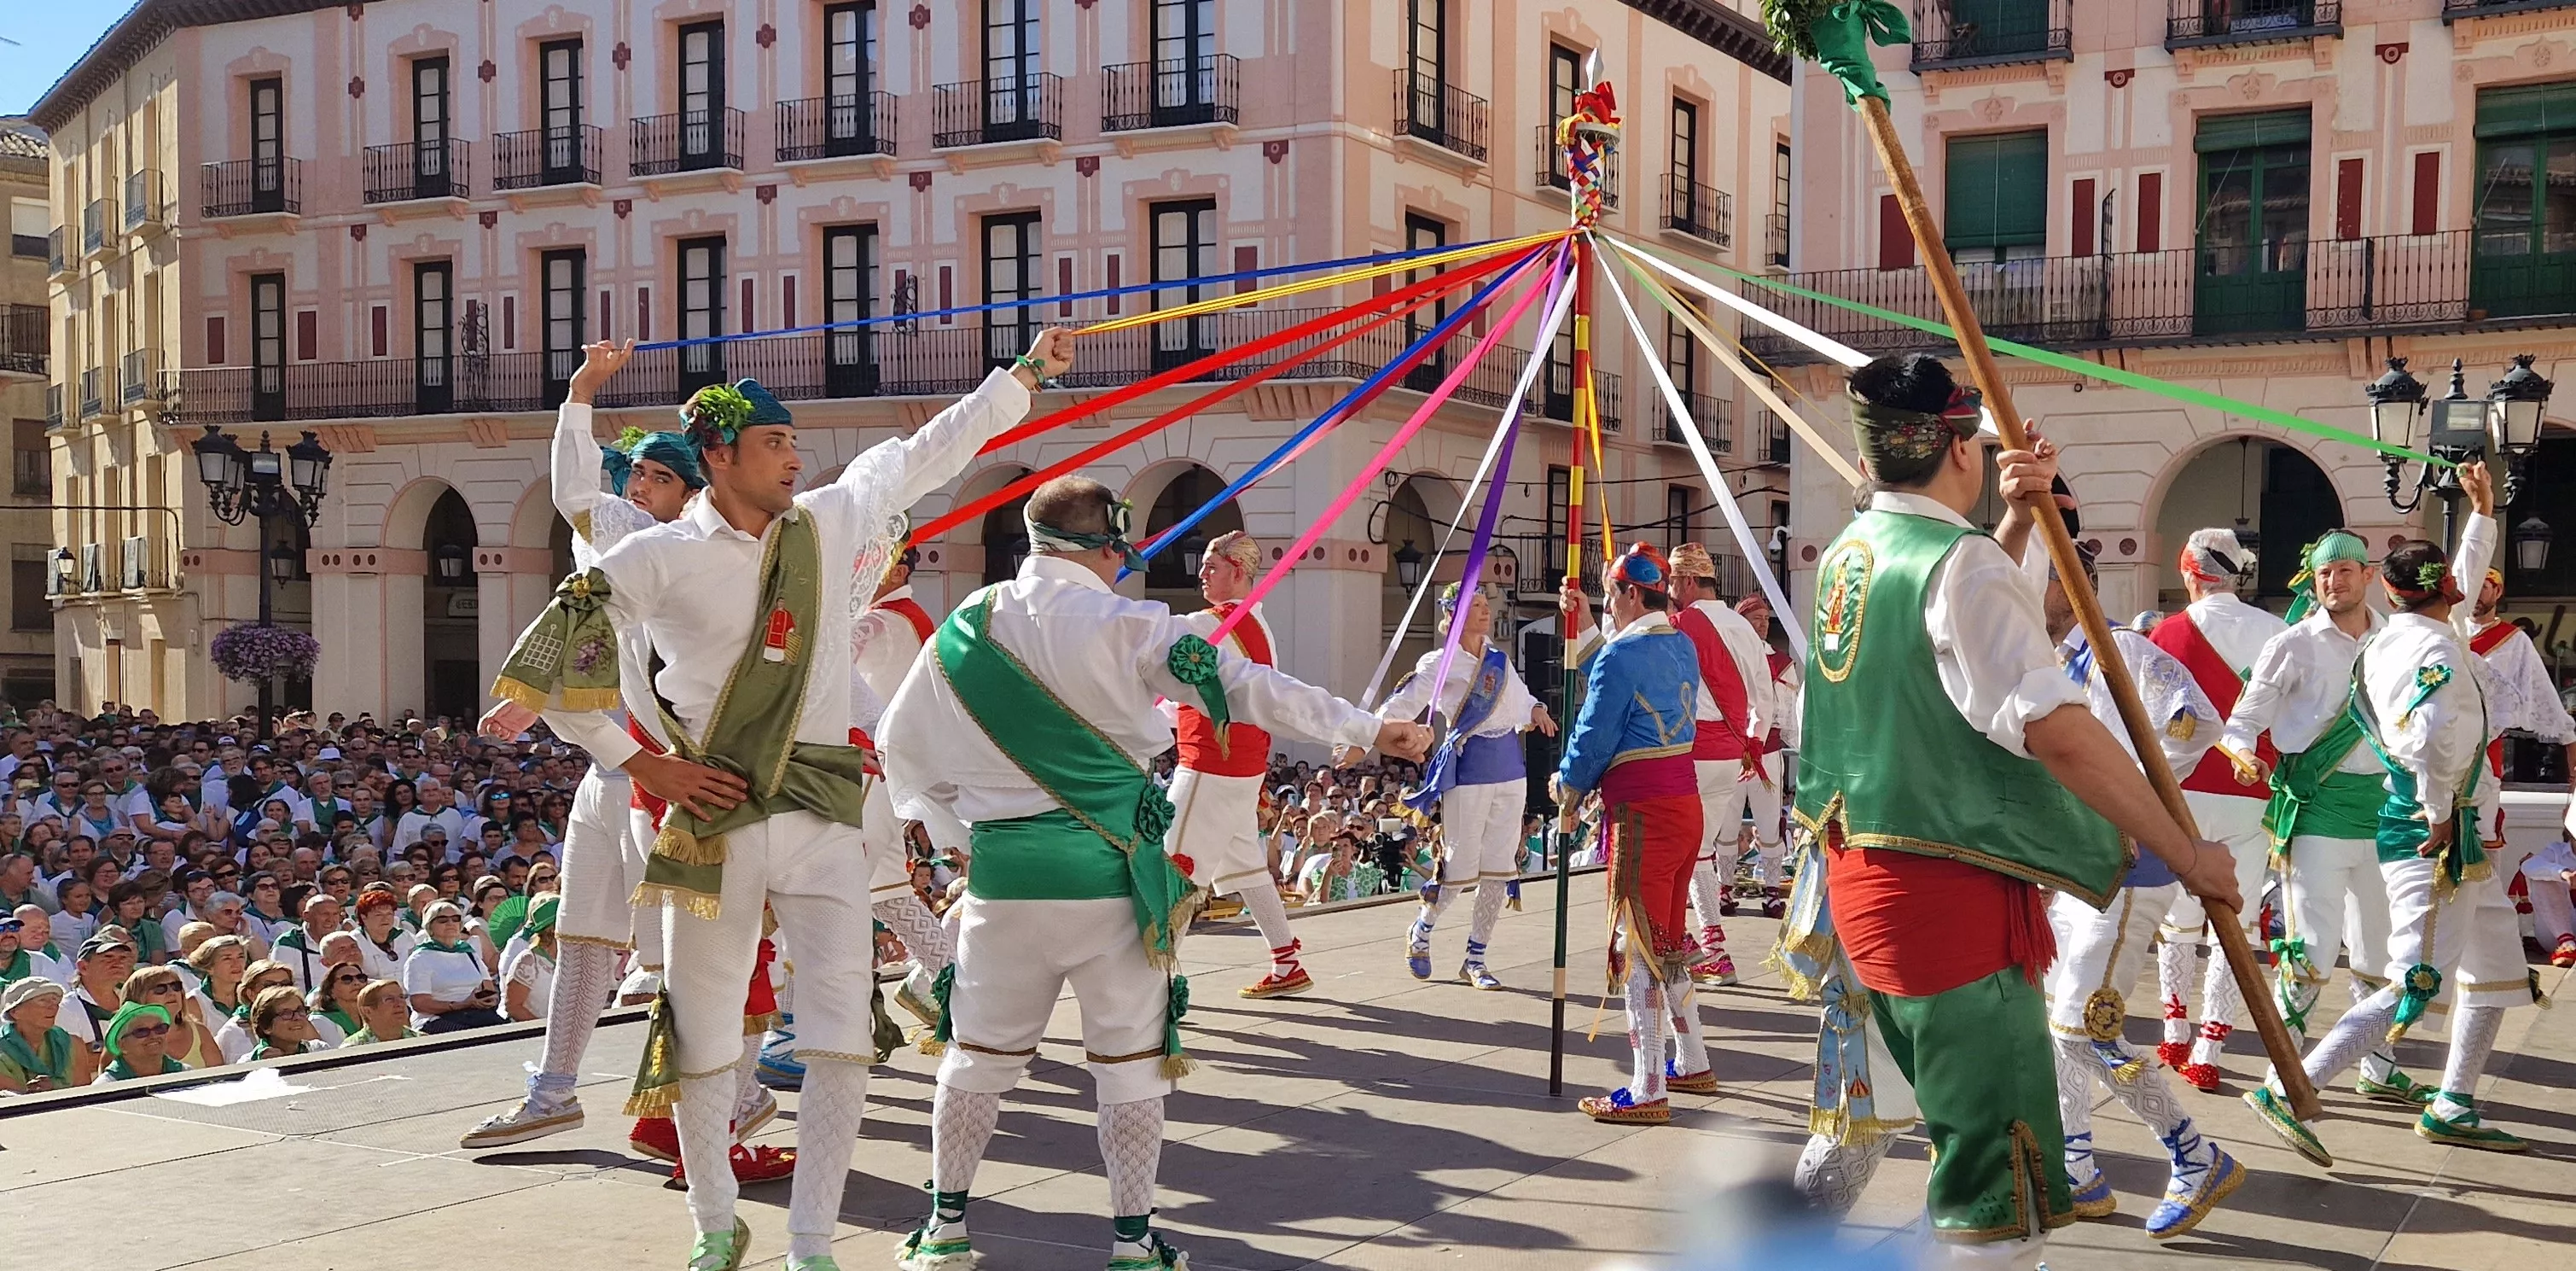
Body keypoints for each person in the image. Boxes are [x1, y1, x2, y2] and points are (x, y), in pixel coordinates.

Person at [499, 329, 1078, 1271]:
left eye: (795, 444)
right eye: (775, 444)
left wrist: (1020, 377)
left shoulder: (829, 520)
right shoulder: (658, 554)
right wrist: (640, 762)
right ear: (718, 455)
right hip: (713, 817)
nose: (795, 458)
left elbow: (930, 448)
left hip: (818, 811)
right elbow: (557, 645)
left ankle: (813, 1239)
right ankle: (714, 1225)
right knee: (703, 1026)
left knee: (842, 1031)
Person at [880, 474, 1431, 1271]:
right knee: (1130, 1067)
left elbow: (902, 744)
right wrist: (1370, 727)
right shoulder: (1129, 623)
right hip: (1114, 878)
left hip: (1003, 878)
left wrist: (961, 828)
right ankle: (1132, 1242)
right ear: (1107, 546)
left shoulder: (965, 625)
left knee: (976, 1057)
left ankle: (946, 1229)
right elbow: (1245, 687)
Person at [1798, 354, 2237, 1267]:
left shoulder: (1852, 552)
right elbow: (2056, 730)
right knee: (2000, 1186)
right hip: (1951, 904)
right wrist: (2185, 851)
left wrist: (2014, 515)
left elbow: (1953, 625)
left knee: (1878, 1123)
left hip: (1864, 890)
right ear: (1958, 447)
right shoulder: (1954, 563)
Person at [2247, 463, 2535, 1159]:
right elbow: (2431, 735)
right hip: (2429, 831)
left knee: (2494, 965)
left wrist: (2482, 514)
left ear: (2383, 586)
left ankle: (2452, 1100)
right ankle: (2288, 1086)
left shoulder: (2397, 635)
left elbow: (2455, 579)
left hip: (2436, 825)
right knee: (2414, 980)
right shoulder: (2432, 643)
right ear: (2450, 593)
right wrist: (2439, 808)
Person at [463, 337, 707, 1151]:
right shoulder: (616, 532)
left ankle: (712, 1101)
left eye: (660, 476)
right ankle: (555, 1090)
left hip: (662, 774)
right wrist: (578, 395)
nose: (637, 485)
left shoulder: (686, 555)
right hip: (616, 768)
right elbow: (589, 626)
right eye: (636, 471)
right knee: (581, 936)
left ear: (691, 496)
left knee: (684, 950)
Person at [2032, 540, 2245, 1237]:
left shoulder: (2117, 646)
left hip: (2127, 864)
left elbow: (2195, 718)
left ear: (2072, 585)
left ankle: (2194, 1153)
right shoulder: (2052, 658)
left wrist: (2129, 790)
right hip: (2076, 868)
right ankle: (2075, 1167)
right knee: (2056, 1027)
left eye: (2038, 578)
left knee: (2082, 1028)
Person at [2223, 532, 2427, 1105]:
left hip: (2385, 812)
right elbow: (2241, 722)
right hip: (2315, 811)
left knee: (2381, 951)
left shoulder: (2398, 641)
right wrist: (2242, 755)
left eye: (2342, 571)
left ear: (2366, 576)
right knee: (2310, 950)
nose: (2331, 582)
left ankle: (2378, 1067)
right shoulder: (2292, 644)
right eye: (2321, 575)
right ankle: (2284, 1073)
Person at [1551, 545, 1712, 1125]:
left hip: (1642, 809)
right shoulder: (1678, 642)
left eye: (1606, 593)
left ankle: (1647, 1085)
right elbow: (1623, 673)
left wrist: (1566, 787)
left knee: (1634, 946)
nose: (1605, 602)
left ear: (1625, 593)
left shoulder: (1623, 656)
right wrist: (1590, 629)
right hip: (1683, 802)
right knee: (1665, 939)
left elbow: (1596, 728)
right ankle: (1691, 1057)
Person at [2146, 527, 2289, 1093]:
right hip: (2249, 790)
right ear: (2236, 575)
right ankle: (2210, 1042)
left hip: (2176, 791)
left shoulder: (2162, 633)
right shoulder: (2277, 631)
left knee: (2175, 917)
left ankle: (2174, 1026)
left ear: (2188, 572)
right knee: (2236, 917)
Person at [1367, 582, 1555, 989]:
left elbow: (1521, 698)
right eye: (1476, 605)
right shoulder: (1440, 662)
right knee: (1460, 863)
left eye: (1488, 604)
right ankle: (1422, 929)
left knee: (1499, 867)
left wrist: (1537, 709)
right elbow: (1403, 700)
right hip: (1469, 767)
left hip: (1511, 767)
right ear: (1452, 616)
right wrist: (1366, 730)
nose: (1486, 611)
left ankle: (1476, 957)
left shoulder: (1499, 660)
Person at [1161, 531, 1317, 998]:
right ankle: (1287, 960)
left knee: (1171, 869)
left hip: (1209, 763)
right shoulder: (1256, 622)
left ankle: (1156, 982)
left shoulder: (1211, 622)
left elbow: (1165, 667)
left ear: (1239, 572)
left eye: (1212, 565)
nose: (1202, 573)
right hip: (1241, 765)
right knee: (1245, 865)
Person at [852, 543, 958, 1035]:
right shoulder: (905, 616)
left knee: (825, 893)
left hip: (867, 770)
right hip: (886, 771)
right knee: (889, 893)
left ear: (895, 569)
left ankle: (798, 1024)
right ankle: (952, 987)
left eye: (866, 560)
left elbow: (822, 674)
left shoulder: (881, 622)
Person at [1660, 543, 1776, 986]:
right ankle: (1710, 947)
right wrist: (1753, 743)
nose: (1669, 590)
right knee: (1702, 848)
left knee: (1680, 850)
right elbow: (1762, 693)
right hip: (1732, 755)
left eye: (1672, 582)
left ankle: (1695, 942)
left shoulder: (1680, 625)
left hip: (1691, 751)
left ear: (1687, 582)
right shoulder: (1745, 629)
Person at [2466, 568, 2576, 965]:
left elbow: (2544, 698)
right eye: (2472, 583)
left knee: (2484, 834)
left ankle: (2487, 928)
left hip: (2485, 752)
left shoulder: (2513, 641)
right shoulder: (2442, 632)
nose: (2478, 592)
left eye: (2487, 585)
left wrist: (2569, 749)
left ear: (2499, 590)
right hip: (2437, 750)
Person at [1732, 591, 1798, 915]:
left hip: (1767, 751)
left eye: (1765, 620)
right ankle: (1723, 889)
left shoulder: (1780, 663)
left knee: (1770, 824)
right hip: (1729, 751)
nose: (1762, 624)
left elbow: (1788, 714)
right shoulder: (1726, 655)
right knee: (1726, 825)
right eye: (1755, 618)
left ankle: (1773, 891)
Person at [404, 901, 504, 1034]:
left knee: (507, 1032)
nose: (450, 923)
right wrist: (462, 1005)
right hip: (435, 1019)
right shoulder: (420, 958)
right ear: (430, 926)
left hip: (474, 1013)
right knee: (469, 1038)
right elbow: (420, 1004)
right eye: (443, 920)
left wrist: (489, 999)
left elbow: (488, 986)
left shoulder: (468, 952)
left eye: (455, 919)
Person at [0, 977, 91, 1091]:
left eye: (54, 1000)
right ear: (15, 1012)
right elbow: (14, 1098)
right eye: (42, 1001)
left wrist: (53, 1086)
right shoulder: (2, 1050)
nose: (53, 1006)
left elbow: (84, 1094)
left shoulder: (73, 1045)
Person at [124, 964, 224, 1068]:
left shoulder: (200, 1032)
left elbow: (220, 1078)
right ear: (139, 996)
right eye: (160, 989)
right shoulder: (125, 1039)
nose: (172, 993)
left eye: (176, 987)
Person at [498, 892, 562, 1023]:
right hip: (532, 1036)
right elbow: (514, 1008)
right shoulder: (528, 961)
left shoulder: (572, 958)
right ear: (552, 928)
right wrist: (545, 1029)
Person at [90, 1000, 187, 1082]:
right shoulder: (106, 1087)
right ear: (122, 1045)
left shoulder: (186, 1074)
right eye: (141, 1031)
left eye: (159, 1028)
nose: (153, 1036)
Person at [246, 983, 329, 1059]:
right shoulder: (247, 1063)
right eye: (286, 1013)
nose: (297, 1017)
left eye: (300, 1010)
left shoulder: (320, 1050)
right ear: (266, 1026)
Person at [346, 977, 419, 1045]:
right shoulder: (352, 1049)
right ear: (367, 1011)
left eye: (402, 997)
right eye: (389, 999)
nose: (400, 1003)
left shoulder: (422, 1040)